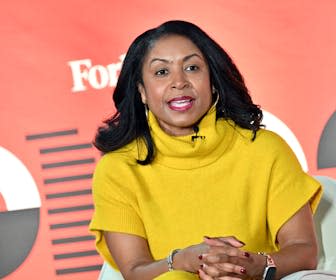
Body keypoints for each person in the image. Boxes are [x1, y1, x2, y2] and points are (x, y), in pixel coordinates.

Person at [89, 20, 322, 280]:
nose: (179, 82)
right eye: (161, 72)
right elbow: (135, 271)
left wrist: (251, 265)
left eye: (192, 68)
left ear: (212, 82)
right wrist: (182, 262)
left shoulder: (265, 150)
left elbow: (304, 252)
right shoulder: (118, 169)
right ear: (142, 91)